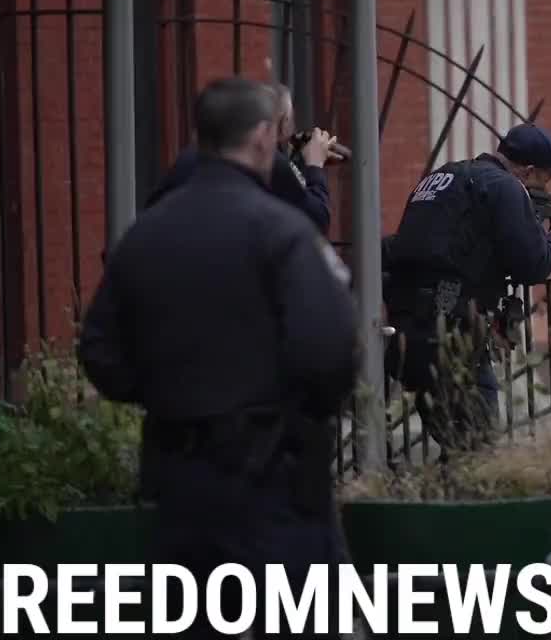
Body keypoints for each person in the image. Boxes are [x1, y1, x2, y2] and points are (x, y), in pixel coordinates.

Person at [77, 77, 358, 638]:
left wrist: (169, 390)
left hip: (179, 473)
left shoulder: (145, 235)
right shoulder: (282, 232)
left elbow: (100, 350)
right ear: (261, 137)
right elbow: (330, 351)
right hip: (272, 471)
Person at [384, 122, 551, 455]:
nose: (549, 185)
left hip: (411, 330)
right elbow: (532, 264)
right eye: (546, 177)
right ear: (527, 170)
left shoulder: (445, 177)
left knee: (459, 445)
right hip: (452, 336)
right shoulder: (505, 188)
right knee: (479, 451)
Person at [145, 82, 339, 235]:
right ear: (269, 129)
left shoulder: (187, 160)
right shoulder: (268, 162)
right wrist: (314, 164)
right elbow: (316, 218)